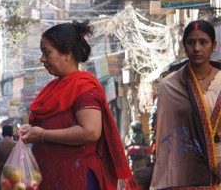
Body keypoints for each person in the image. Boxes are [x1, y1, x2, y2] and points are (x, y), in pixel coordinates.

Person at [19, 20, 135, 190]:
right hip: (52, 176)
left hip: (77, 177)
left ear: (67, 54)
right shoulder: (53, 87)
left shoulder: (84, 86)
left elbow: (90, 131)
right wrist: (31, 131)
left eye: (47, 52)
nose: (42, 59)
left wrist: (43, 134)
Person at [150, 20, 221, 189]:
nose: (197, 48)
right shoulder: (170, 86)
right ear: (184, 47)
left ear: (214, 45)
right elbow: (165, 135)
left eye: (203, 42)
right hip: (185, 168)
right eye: (191, 42)